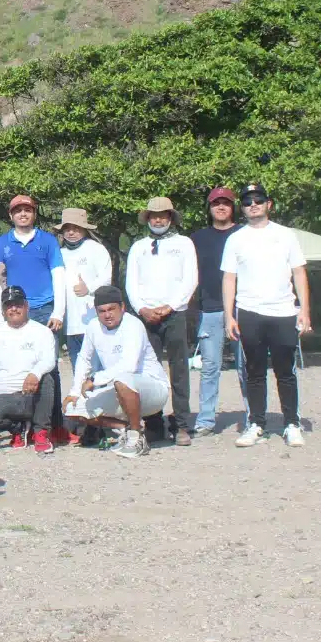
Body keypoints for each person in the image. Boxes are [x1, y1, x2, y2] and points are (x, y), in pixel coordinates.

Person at [223, 182, 311, 448]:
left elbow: (299, 272)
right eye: (248, 202)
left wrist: (304, 310)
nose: (253, 205)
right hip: (250, 312)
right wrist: (230, 316)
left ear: (268, 204)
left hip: (284, 311)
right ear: (243, 207)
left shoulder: (286, 235)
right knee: (254, 371)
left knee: (286, 371)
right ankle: (256, 423)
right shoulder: (235, 238)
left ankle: (292, 424)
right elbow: (229, 278)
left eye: (258, 200)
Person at [0, 195, 68, 439]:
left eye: (27, 210)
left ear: (34, 213)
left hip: (45, 308)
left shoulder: (47, 241)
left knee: (49, 368)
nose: (22, 214)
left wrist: (58, 311)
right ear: (10, 215)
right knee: (17, 365)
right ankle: (22, 427)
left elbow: (59, 274)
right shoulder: (1, 243)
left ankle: (54, 426)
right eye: (18, 211)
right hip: (15, 310)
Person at [124, 196, 199, 446]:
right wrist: (141, 308)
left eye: (163, 215)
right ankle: (154, 423)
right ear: (147, 219)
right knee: (147, 370)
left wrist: (171, 305)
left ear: (170, 218)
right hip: (146, 315)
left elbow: (190, 279)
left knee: (179, 369)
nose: (158, 219)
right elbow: (131, 283)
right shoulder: (139, 246)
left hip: (175, 312)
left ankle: (182, 425)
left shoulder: (184, 244)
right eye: (154, 215)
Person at [63, 285, 170, 458]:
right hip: (120, 390)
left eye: (112, 309)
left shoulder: (134, 325)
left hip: (153, 390)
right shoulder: (93, 327)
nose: (107, 315)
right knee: (72, 409)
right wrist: (75, 391)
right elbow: (84, 358)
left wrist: (95, 379)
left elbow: (130, 366)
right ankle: (126, 430)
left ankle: (136, 438)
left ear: (122, 307)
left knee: (123, 379)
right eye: (102, 311)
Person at [0, 286, 59, 455]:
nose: (13, 308)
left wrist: (35, 373)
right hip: (5, 398)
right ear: (2, 310)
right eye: (8, 305)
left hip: (31, 395)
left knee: (47, 378)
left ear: (26, 306)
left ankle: (41, 433)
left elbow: (50, 360)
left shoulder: (42, 332)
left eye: (18, 304)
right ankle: (18, 429)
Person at [190, 187, 243, 436]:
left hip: (243, 309)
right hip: (209, 310)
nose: (221, 207)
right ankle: (205, 420)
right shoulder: (196, 239)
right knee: (210, 367)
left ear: (233, 207)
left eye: (226, 203)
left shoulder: (245, 235)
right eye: (216, 203)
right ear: (209, 208)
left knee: (246, 365)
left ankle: (253, 417)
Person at [56, 208, 111, 369]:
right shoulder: (60, 253)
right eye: (67, 228)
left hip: (93, 320)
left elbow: (106, 277)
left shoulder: (95, 249)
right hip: (70, 323)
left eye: (76, 228)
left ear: (84, 229)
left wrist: (89, 288)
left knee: (97, 369)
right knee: (78, 369)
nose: (71, 232)